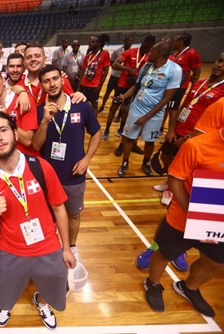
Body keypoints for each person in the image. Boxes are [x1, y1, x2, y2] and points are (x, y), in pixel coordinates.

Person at [0, 112, 75, 330]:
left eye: (3, 130)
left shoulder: (41, 167)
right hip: (8, 249)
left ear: (15, 133)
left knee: (57, 284)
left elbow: (59, 208)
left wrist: (66, 248)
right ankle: (5, 307)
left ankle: (42, 301)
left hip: (47, 244)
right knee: (4, 289)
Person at [136, 54, 224, 271]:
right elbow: (182, 108)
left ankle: (180, 249)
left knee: (192, 215)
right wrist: (173, 129)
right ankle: (157, 247)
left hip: (204, 162)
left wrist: (188, 141)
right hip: (180, 142)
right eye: (218, 59)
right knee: (171, 210)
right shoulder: (200, 83)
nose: (217, 64)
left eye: (223, 62)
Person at [143, 128, 224, 318]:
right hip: (183, 218)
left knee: (215, 262)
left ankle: (189, 287)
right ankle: (153, 283)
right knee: (164, 253)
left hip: (219, 222)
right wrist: (197, 216)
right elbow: (175, 181)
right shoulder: (197, 145)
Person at [32, 65, 101, 269]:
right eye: (46, 80)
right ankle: (52, 247)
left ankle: (72, 245)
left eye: (55, 79)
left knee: (73, 214)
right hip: (48, 177)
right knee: (48, 216)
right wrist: (45, 121)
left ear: (62, 80)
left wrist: (87, 158)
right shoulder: (39, 112)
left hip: (74, 175)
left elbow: (96, 133)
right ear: (42, 85)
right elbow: (36, 145)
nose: (52, 84)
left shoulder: (81, 106)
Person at [116, 42, 182, 178]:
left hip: (155, 114)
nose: (148, 54)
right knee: (128, 137)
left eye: (152, 51)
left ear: (160, 54)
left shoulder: (174, 70)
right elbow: (137, 86)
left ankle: (146, 163)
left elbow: (166, 99)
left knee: (149, 141)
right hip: (136, 108)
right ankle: (124, 163)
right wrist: (123, 97)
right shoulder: (146, 66)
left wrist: (146, 117)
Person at [104, 35, 155, 143]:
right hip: (122, 84)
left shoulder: (149, 58)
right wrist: (128, 69)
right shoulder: (131, 52)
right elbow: (115, 64)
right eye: (146, 45)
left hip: (135, 88)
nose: (147, 49)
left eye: (149, 47)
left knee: (126, 110)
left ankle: (121, 129)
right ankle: (107, 130)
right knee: (114, 107)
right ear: (143, 42)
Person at [0, 69, 39, 156]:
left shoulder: (23, 100)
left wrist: (6, 117)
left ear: (3, 81)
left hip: (28, 161)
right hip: (5, 163)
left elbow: (28, 140)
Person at [165, 33, 201, 133]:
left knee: (173, 110)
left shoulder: (192, 53)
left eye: (175, 40)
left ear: (181, 42)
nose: (173, 42)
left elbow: (197, 70)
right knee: (166, 108)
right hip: (170, 85)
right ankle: (159, 129)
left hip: (179, 87)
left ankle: (170, 132)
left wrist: (194, 87)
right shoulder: (176, 52)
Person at [99, 36, 134, 113]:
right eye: (129, 40)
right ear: (125, 41)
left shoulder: (132, 53)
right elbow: (112, 63)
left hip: (124, 78)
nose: (130, 42)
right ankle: (102, 106)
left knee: (121, 95)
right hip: (115, 76)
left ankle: (119, 112)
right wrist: (119, 69)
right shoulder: (117, 51)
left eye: (132, 40)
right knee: (108, 91)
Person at [78, 34, 110, 115]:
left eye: (93, 42)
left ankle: (93, 124)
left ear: (99, 43)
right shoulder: (88, 56)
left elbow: (106, 71)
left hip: (95, 85)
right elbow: (83, 71)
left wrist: (100, 85)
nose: (90, 43)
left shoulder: (105, 54)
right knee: (81, 104)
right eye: (90, 41)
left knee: (94, 105)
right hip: (84, 84)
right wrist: (79, 85)